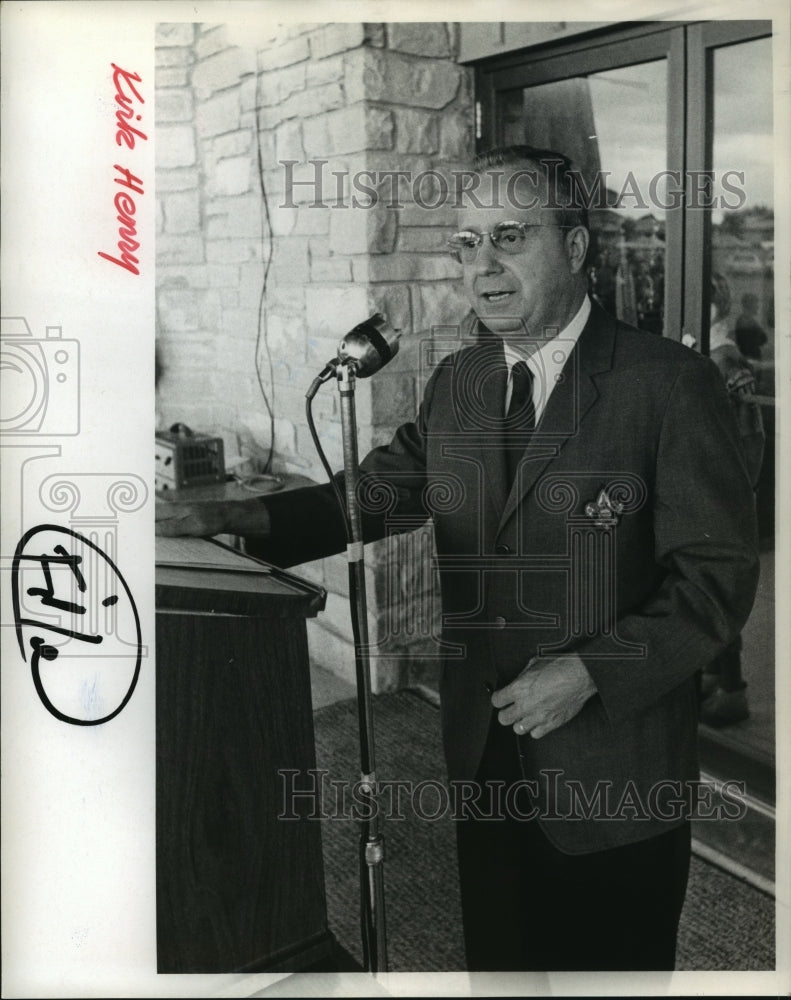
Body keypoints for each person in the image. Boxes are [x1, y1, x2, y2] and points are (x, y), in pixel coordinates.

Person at [157, 146, 760, 972]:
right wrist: (229, 515)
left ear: (577, 247)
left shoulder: (669, 384)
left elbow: (716, 578)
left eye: (509, 237)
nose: (483, 267)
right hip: (481, 751)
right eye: (466, 244)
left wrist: (590, 671)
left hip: (614, 773)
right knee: (500, 967)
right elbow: (371, 495)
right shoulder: (461, 381)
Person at [697, 274, 764, 726]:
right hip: (715, 487)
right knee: (704, 587)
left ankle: (732, 686)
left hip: (721, 490)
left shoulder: (722, 359)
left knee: (718, 591)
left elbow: (745, 435)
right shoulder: (715, 356)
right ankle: (716, 671)